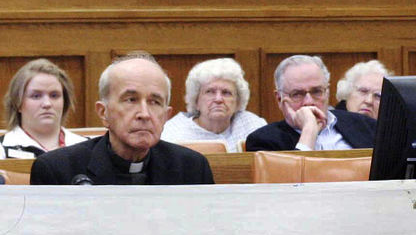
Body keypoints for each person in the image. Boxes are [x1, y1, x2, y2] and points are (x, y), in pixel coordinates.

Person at [30, 52, 214, 185]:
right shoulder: (58, 171)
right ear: (103, 113)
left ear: (166, 116)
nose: (144, 113)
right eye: (131, 100)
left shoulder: (192, 169)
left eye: (155, 102)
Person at [245, 55, 376, 152]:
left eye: (317, 92)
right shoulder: (263, 141)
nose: (309, 102)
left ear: (327, 92)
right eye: (297, 94)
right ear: (280, 99)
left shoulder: (366, 126)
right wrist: (309, 131)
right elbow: (290, 185)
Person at [160, 57, 265, 151]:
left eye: (226, 93)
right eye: (210, 92)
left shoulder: (253, 126)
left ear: (238, 103)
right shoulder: (173, 133)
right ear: (196, 101)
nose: (218, 99)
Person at [1, 58, 87, 159]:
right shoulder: (2, 148)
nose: (47, 104)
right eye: (36, 96)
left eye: (54, 95)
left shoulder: (86, 147)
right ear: (18, 103)